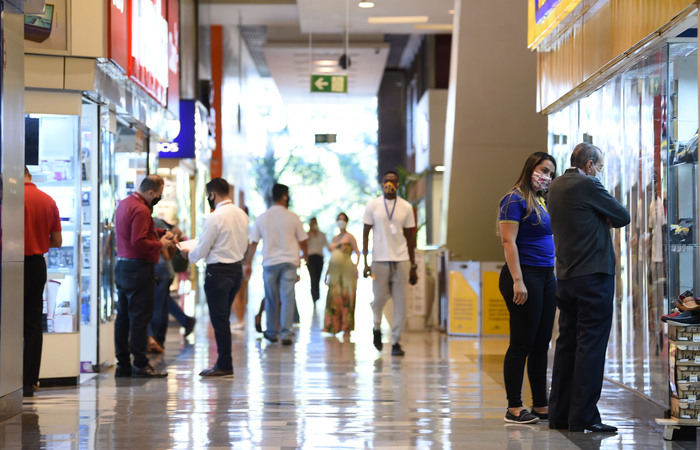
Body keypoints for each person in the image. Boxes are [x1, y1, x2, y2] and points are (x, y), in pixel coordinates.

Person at [547, 143, 630, 433]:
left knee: (567, 344)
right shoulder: (588, 185)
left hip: (567, 276)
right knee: (591, 348)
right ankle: (584, 417)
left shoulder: (556, 186)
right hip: (593, 276)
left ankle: (560, 414)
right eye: (600, 166)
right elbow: (622, 216)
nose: (600, 172)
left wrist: (597, 216)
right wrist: (602, 216)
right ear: (590, 164)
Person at [497, 152, 557, 424]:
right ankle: (513, 407)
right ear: (531, 168)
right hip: (523, 276)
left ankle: (541, 405)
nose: (547, 177)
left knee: (541, 344)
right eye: (543, 170)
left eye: (551, 174)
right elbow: (509, 242)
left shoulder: (542, 201)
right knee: (521, 343)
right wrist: (518, 280)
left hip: (545, 277)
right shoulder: (513, 199)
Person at [182, 178, 249, 377]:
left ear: (212, 195)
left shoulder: (214, 217)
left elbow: (203, 247)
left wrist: (188, 255)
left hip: (218, 272)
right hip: (235, 271)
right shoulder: (242, 215)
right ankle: (224, 362)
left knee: (219, 320)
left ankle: (224, 364)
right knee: (223, 318)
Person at [114, 175, 175, 378]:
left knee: (123, 317)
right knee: (140, 318)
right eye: (158, 194)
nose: (158, 198)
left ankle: (123, 364)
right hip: (139, 269)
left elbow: (140, 230)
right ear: (151, 192)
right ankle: (140, 364)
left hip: (123, 267)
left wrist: (161, 232)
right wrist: (162, 244)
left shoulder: (126, 204)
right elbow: (139, 241)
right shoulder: (141, 209)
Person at [362, 170, 417, 357]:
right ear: (382, 184)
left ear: (398, 185)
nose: (389, 184)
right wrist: (365, 262)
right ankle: (376, 327)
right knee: (379, 299)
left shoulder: (405, 207)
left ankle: (396, 341)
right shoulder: (373, 206)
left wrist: (414, 266)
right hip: (379, 260)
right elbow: (365, 234)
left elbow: (410, 238)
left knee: (401, 303)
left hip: (401, 260)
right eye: (386, 181)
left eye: (393, 181)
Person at [245, 183, 308, 345]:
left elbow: (253, 242)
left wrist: (248, 263)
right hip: (289, 262)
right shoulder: (293, 217)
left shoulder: (263, 217)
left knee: (271, 298)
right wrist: (305, 257)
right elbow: (303, 241)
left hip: (270, 263)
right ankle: (286, 334)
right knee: (287, 298)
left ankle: (272, 332)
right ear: (284, 196)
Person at [23, 167, 62, 397]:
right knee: (34, 324)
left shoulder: (8, 198)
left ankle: (7, 379)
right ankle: (29, 381)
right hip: (37, 265)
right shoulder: (48, 200)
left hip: (9, 265)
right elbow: (57, 241)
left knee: (7, 321)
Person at [146, 218, 195, 353]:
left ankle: (155, 340)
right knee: (163, 304)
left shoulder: (153, 221)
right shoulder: (159, 221)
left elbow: (174, 235)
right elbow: (176, 232)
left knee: (157, 306)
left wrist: (166, 252)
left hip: (159, 268)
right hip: (165, 269)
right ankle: (160, 339)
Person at [323, 212, 360, 334]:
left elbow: (357, 252)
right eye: (339, 219)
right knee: (334, 297)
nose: (341, 222)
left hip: (347, 271)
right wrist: (327, 273)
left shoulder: (349, 237)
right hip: (334, 272)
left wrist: (356, 266)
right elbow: (332, 256)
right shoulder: (335, 238)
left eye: (343, 219)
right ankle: (333, 326)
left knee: (346, 297)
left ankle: (346, 327)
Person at [306, 217, 328, 304]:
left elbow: (327, 246)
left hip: (319, 258)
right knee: (313, 278)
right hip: (310, 259)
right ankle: (314, 298)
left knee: (318, 278)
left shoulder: (322, 235)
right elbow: (302, 246)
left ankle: (317, 296)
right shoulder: (306, 235)